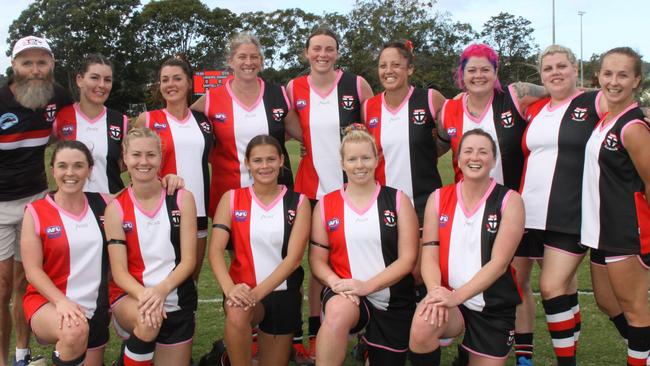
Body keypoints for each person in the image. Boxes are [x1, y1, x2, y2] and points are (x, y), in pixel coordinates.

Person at [436, 43, 546, 366]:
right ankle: (469, 345)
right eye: (472, 69)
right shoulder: (449, 110)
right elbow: (436, 146)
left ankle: (524, 356)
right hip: (468, 213)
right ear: (461, 74)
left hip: (513, 208)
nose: (479, 75)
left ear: (496, 72)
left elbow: (560, 90)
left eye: (486, 69)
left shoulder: (515, 96)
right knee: (468, 277)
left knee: (517, 282)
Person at [286, 27, 373, 359]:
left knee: (359, 258)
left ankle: (367, 331)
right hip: (309, 191)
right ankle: (310, 333)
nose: (322, 54)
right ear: (307, 53)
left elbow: (371, 124)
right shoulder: (293, 88)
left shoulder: (356, 84)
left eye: (329, 49)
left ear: (337, 53)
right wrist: (306, 142)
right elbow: (289, 123)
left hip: (352, 191)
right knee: (309, 263)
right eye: (316, 49)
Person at [519, 45, 605, 366]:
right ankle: (570, 348)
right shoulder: (537, 108)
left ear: (575, 68)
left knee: (551, 285)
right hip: (530, 212)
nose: (555, 72)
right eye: (548, 68)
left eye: (561, 66)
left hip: (569, 212)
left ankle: (566, 362)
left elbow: (624, 104)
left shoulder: (591, 101)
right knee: (563, 287)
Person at [408, 129, 525, 366]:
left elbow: (499, 264)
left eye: (483, 152)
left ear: (493, 160)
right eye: (468, 151)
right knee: (422, 324)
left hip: (492, 305)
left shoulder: (510, 201)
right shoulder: (438, 198)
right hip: (450, 301)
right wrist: (435, 293)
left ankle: (466, 354)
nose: (475, 157)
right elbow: (429, 254)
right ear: (458, 159)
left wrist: (456, 297)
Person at [309, 125, 419, 366]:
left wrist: (367, 286)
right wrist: (335, 283)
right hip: (347, 292)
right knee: (337, 314)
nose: (360, 165)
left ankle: (368, 350)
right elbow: (317, 260)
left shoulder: (398, 200)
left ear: (377, 160)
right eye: (352, 159)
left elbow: (408, 259)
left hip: (392, 298)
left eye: (366, 158)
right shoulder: (326, 205)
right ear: (342, 163)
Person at [0, 35, 73, 366]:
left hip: (35, 202)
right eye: (26, 62)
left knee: (26, 282)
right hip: (0, 205)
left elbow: (68, 130)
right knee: (2, 289)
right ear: (14, 66)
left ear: (52, 65)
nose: (35, 70)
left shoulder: (58, 95)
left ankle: (22, 354)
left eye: (41, 62)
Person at [208, 134, 310, 366]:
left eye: (271, 159)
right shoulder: (232, 199)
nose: (264, 166)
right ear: (247, 163)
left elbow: (293, 260)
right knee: (237, 311)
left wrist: (256, 294)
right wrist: (230, 289)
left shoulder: (299, 202)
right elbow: (215, 250)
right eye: (257, 160)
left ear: (282, 160)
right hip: (242, 290)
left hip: (283, 293)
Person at [580, 47, 650, 365]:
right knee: (608, 302)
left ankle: (640, 354)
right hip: (600, 230)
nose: (614, 81)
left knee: (635, 309)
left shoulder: (634, 127)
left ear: (637, 80)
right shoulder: (608, 118)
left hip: (626, 230)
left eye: (623, 74)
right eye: (608, 73)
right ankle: (645, 346)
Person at [105, 127, 197, 366]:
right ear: (125, 158)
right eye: (136, 155)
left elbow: (189, 260)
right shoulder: (116, 208)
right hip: (133, 297)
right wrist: (147, 296)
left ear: (160, 157)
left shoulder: (182, 199)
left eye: (150, 155)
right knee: (149, 319)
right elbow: (119, 272)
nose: (143, 162)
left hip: (176, 297)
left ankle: (132, 356)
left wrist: (161, 290)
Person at [21, 141, 109, 366]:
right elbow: (32, 271)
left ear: (89, 170)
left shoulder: (104, 204)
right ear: (53, 171)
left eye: (78, 166)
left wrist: (167, 180)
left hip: (94, 309)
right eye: (62, 166)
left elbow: (140, 194)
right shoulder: (36, 211)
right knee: (74, 331)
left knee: (77, 337)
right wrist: (61, 302)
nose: (70, 173)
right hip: (49, 302)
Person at [191, 32, 296, 219]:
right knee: (236, 247)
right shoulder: (211, 99)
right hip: (229, 190)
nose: (249, 62)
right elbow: (184, 128)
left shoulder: (279, 95)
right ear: (231, 61)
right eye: (242, 57)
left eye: (254, 57)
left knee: (281, 245)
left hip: (276, 187)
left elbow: (304, 134)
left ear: (261, 61)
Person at [135, 56, 213, 281]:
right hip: (158, 211)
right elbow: (127, 161)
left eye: (177, 78)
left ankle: (191, 318)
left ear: (189, 83)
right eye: (165, 80)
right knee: (158, 278)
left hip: (198, 210)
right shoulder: (147, 119)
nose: (170, 85)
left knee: (191, 281)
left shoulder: (204, 121)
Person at [362, 40, 446, 226]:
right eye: (383, 66)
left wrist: (430, 150)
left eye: (396, 65)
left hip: (425, 204)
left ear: (410, 69)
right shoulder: (368, 107)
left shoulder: (431, 99)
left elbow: (454, 132)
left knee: (425, 256)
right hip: (384, 204)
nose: (388, 70)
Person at [53, 54, 128, 193]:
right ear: (80, 80)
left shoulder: (120, 121)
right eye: (94, 77)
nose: (101, 85)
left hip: (111, 206)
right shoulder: (62, 117)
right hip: (72, 208)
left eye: (107, 80)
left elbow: (130, 163)